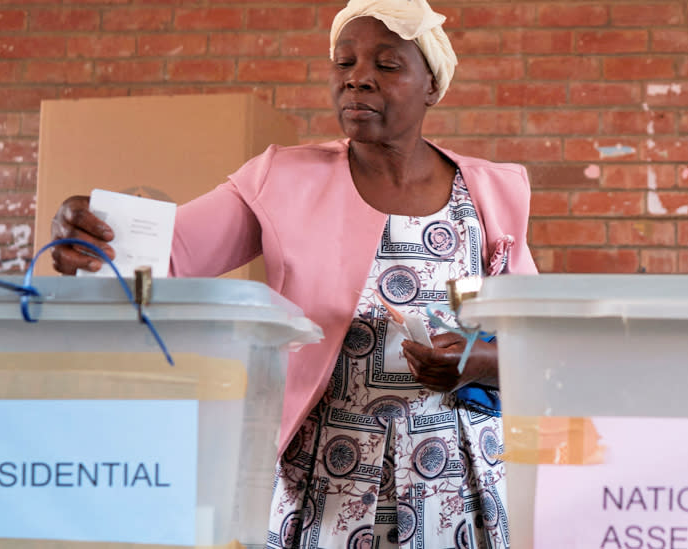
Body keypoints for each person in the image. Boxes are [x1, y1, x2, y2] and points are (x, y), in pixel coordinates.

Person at [50, 0, 538, 546]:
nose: (358, 80)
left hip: (460, 479)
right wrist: (92, 233)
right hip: (325, 479)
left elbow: (538, 341)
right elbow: (164, 256)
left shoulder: (492, 193)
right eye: (344, 63)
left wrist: (478, 361)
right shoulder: (280, 180)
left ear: (431, 85)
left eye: (387, 65)